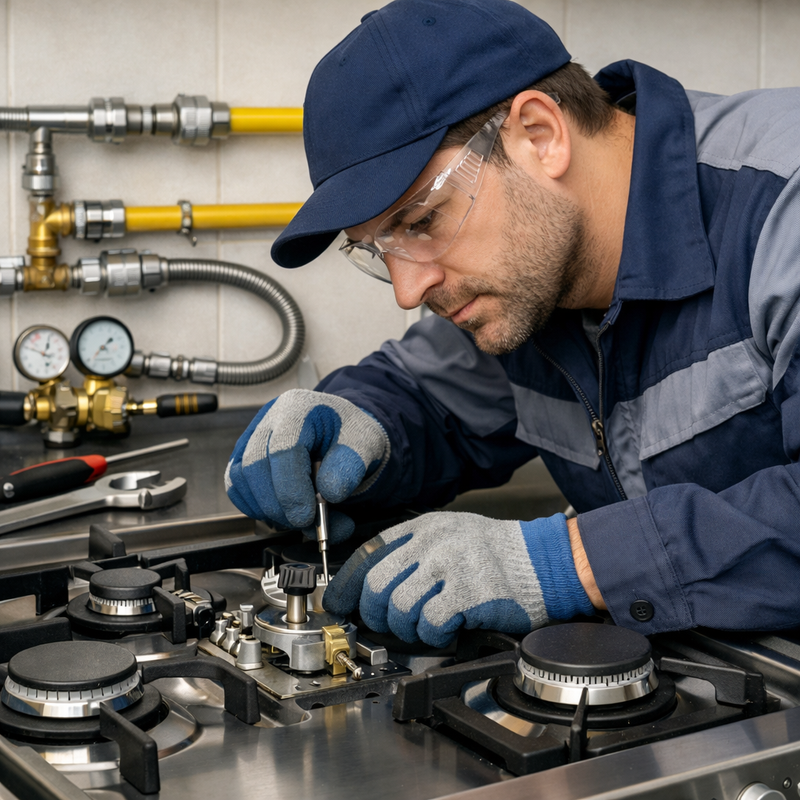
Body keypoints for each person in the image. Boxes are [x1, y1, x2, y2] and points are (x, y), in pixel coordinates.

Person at [226, 0, 800, 647]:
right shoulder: (532, 281)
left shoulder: (782, 203)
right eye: (380, 253)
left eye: (421, 223)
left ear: (541, 134)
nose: (409, 290)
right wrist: (352, 424)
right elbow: (427, 396)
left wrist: (574, 562)